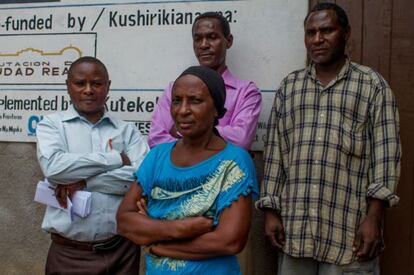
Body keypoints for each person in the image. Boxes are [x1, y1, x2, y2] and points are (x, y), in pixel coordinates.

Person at [256, 3, 401, 275]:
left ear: (346, 33)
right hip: (295, 231)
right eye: (311, 32)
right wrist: (271, 212)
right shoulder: (290, 87)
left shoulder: (372, 86)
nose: (317, 39)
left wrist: (374, 218)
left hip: (348, 234)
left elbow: (386, 158)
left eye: (327, 30)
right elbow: (276, 154)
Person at [117, 65, 258, 274]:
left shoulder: (234, 162)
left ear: (217, 109)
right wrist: (182, 228)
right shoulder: (158, 156)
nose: (183, 110)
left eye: (195, 100)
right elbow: (125, 221)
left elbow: (229, 241)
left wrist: (156, 241)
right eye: (177, 100)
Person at [36, 56, 149, 274]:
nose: (88, 90)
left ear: (108, 87)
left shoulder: (127, 131)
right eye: (80, 83)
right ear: (68, 87)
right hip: (69, 253)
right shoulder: (51, 125)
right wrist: (116, 159)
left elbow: (141, 178)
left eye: (96, 83)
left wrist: (84, 181)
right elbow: (54, 168)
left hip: (123, 250)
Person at [148, 11, 261, 150]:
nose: (203, 45)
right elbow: (156, 139)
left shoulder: (246, 92)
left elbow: (241, 140)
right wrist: (217, 137)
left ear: (228, 41)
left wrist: (182, 131)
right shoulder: (174, 89)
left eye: (212, 37)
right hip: (175, 170)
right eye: (197, 39)